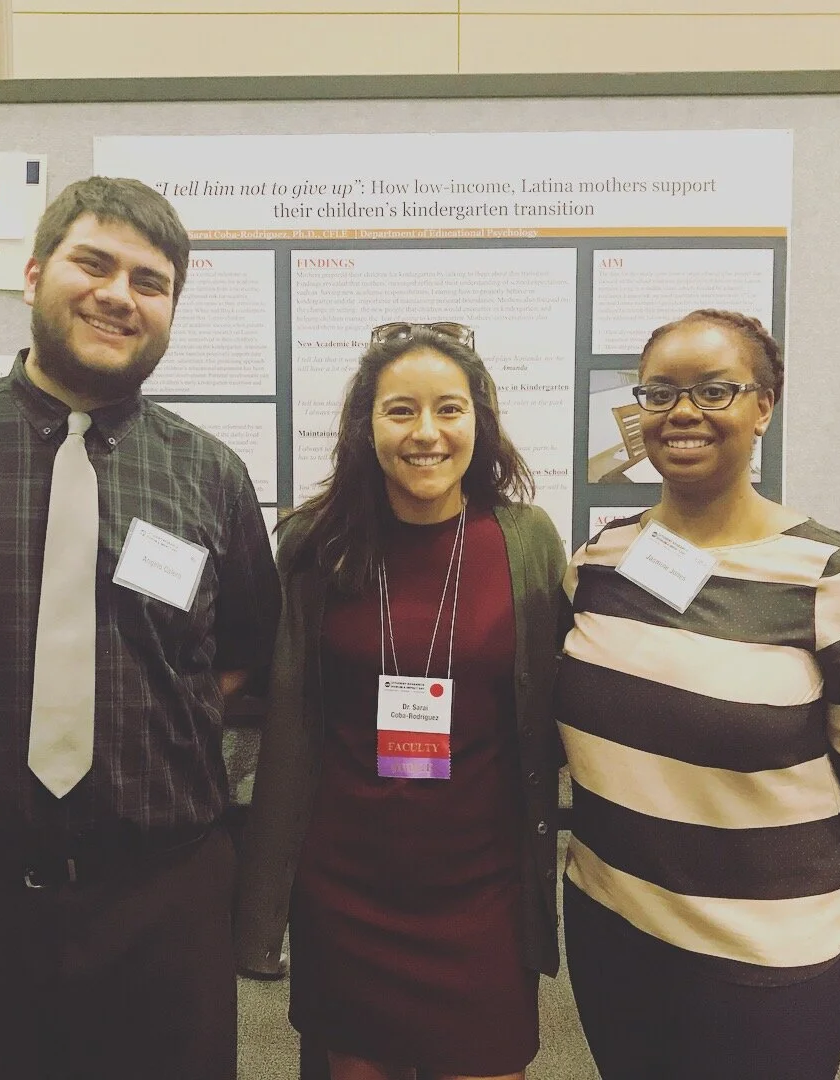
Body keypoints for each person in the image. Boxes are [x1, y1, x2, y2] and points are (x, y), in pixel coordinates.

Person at [0, 176, 280, 1080]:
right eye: (95, 262)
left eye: (150, 281)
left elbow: (242, 663)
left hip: (154, 911)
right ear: (37, 273)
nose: (119, 294)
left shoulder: (211, 475)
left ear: (169, 310)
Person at [557, 309, 840, 1080]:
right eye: (659, 394)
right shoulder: (598, 560)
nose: (682, 412)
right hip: (611, 931)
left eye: (714, 390)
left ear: (763, 406)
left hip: (767, 967)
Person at [235, 322, 568, 1080]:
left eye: (449, 409)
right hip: (347, 888)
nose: (427, 433)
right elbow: (278, 699)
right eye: (400, 411)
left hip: (483, 891)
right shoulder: (314, 545)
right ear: (367, 426)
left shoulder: (525, 541)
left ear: (479, 422)